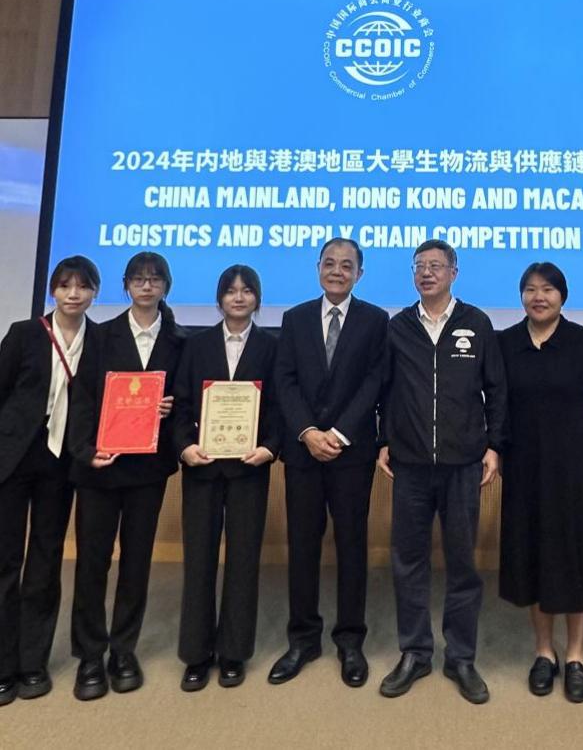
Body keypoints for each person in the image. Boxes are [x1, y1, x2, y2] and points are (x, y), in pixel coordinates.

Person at [377, 239, 507, 704]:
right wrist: (383, 440)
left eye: (436, 265)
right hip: (410, 465)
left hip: (463, 464)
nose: (427, 273)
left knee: (462, 563)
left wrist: (494, 445)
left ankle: (462, 657)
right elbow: (384, 390)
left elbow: (496, 389)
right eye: (420, 266)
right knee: (408, 561)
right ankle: (415, 652)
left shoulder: (476, 322)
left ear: (454, 272)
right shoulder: (398, 326)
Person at [269, 239, 388, 688]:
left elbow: (375, 381)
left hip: (351, 452)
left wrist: (339, 433)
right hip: (303, 451)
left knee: (352, 544)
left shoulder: (375, 320)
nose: (337, 271)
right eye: (330, 263)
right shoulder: (295, 318)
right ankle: (303, 638)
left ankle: (350, 640)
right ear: (318, 267)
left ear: (360, 273)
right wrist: (307, 431)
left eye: (347, 265)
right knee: (302, 544)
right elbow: (285, 379)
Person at [67, 252, 184, 701]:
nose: (146, 286)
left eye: (155, 279)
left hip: (148, 471)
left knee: (136, 562)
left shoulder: (179, 340)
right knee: (92, 562)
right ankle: (89, 655)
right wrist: (85, 452)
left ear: (166, 286)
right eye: (138, 279)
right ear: (126, 285)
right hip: (101, 465)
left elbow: (186, 401)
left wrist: (170, 407)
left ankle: (123, 650)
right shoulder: (100, 335)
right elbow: (81, 398)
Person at [499, 262, 583, 704]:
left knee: (574, 553)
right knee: (534, 553)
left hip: (574, 465)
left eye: (547, 289)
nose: (538, 297)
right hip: (523, 466)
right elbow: (496, 403)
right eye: (530, 289)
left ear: (563, 296)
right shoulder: (505, 342)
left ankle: (576, 656)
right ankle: (544, 652)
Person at [173, 265, 280, 692]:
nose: (238, 297)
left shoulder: (272, 347)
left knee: (243, 560)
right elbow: (181, 404)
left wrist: (270, 447)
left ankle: (234, 652)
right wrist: (184, 446)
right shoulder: (195, 344)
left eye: (246, 290)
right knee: (198, 560)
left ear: (257, 298)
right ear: (219, 299)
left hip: (250, 468)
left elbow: (280, 405)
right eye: (231, 291)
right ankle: (196, 654)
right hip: (201, 466)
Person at [0, 256, 100, 706]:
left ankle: (32, 663)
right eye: (64, 286)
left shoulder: (100, 339)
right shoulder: (24, 333)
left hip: (62, 462)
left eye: (82, 286)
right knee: (5, 562)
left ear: (95, 292)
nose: (73, 294)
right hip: (13, 459)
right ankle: (3, 665)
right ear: (53, 291)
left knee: (45, 559)